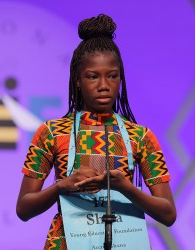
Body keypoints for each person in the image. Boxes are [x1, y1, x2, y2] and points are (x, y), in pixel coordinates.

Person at [16, 14, 176, 249]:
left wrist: (126, 188)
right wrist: (61, 185)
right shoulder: (51, 132)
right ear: (78, 80)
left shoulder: (140, 137)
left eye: (112, 76)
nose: (104, 85)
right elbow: (24, 208)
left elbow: (168, 214)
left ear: (120, 78)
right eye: (93, 76)